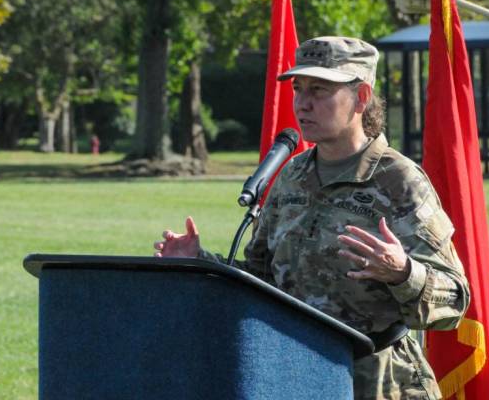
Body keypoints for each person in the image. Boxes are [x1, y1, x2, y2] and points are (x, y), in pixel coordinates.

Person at [154, 36, 470, 399]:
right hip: (295, 373)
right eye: (298, 89)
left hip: (379, 383)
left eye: (319, 90)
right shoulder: (291, 176)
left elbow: (455, 301)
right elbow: (262, 281)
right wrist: (199, 262)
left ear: (361, 97)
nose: (302, 104)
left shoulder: (399, 181)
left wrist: (403, 272)